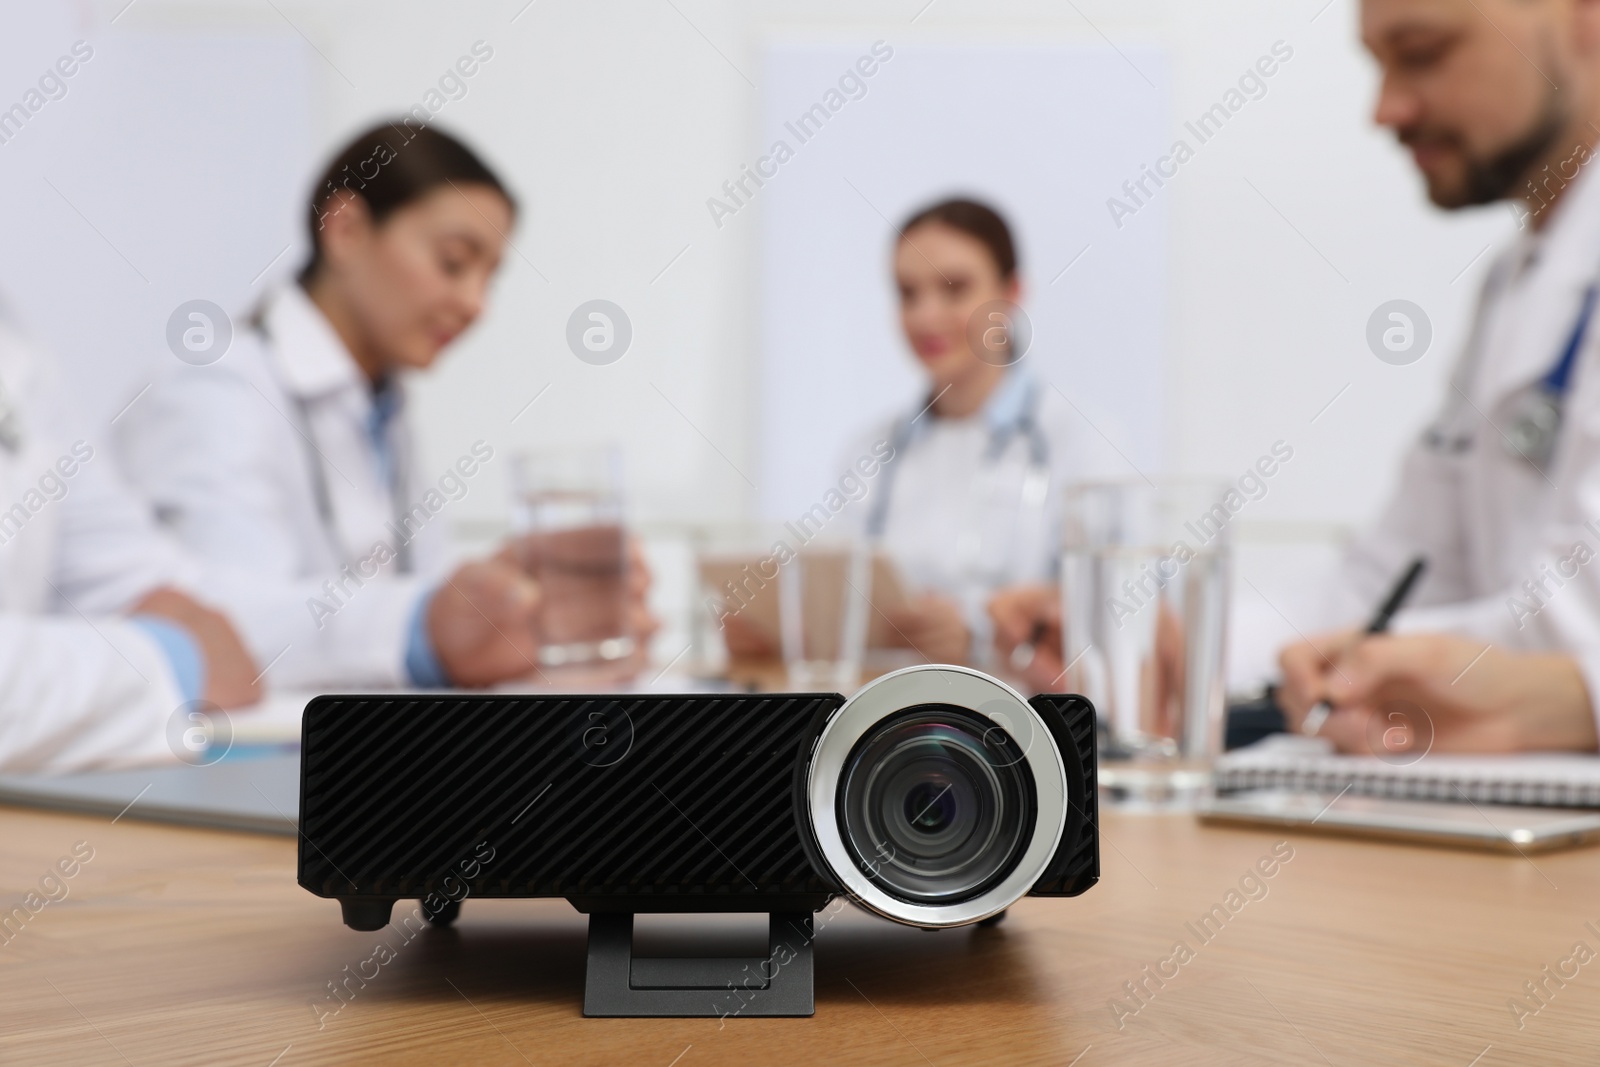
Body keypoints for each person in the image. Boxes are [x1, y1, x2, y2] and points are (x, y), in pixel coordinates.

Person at [997, 0, 1600, 754]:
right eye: (1377, 63)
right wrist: (1173, 644)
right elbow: (1392, 578)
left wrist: (1362, 665)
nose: (1386, 109)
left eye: (1423, 52)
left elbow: (1570, 626)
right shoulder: (1522, 278)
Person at [118, 121, 651, 691]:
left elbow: (406, 600)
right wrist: (429, 624)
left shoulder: (382, 407)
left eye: (489, 277)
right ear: (346, 229)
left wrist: (510, 601)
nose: (476, 304)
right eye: (453, 262)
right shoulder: (212, 388)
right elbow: (220, 628)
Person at [835, 197, 1117, 666]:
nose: (925, 316)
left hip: (1018, 726)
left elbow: (1113, 621)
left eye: (954, 288)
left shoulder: (1081, 439)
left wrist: (980, 637)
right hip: (889, 721)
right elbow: (839, 600)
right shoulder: (870, 451)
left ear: (1011, 293)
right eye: (908, 293)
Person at [0, 313, 261, 772]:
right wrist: (168, 662)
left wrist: (410, 627)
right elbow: (184, 637)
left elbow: (157, 589)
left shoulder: (17, 351)